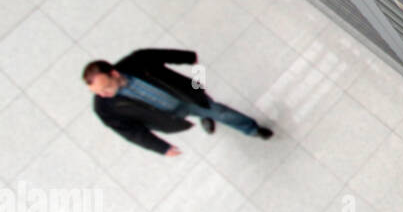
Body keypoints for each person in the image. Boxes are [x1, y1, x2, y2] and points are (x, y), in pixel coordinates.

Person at [83, 48, 273, 157]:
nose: (104, 94)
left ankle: (252, 129)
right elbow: (132, 132)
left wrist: (190, 58)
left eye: (106, 87)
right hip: (169, 116)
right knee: (210, 112)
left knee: (220, 112)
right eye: (98, 92)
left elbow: (164, 55)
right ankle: (205, 117)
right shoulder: (104, 108)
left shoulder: (137, 61)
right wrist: (162, 148)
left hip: (186, 96)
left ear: (114, 74)